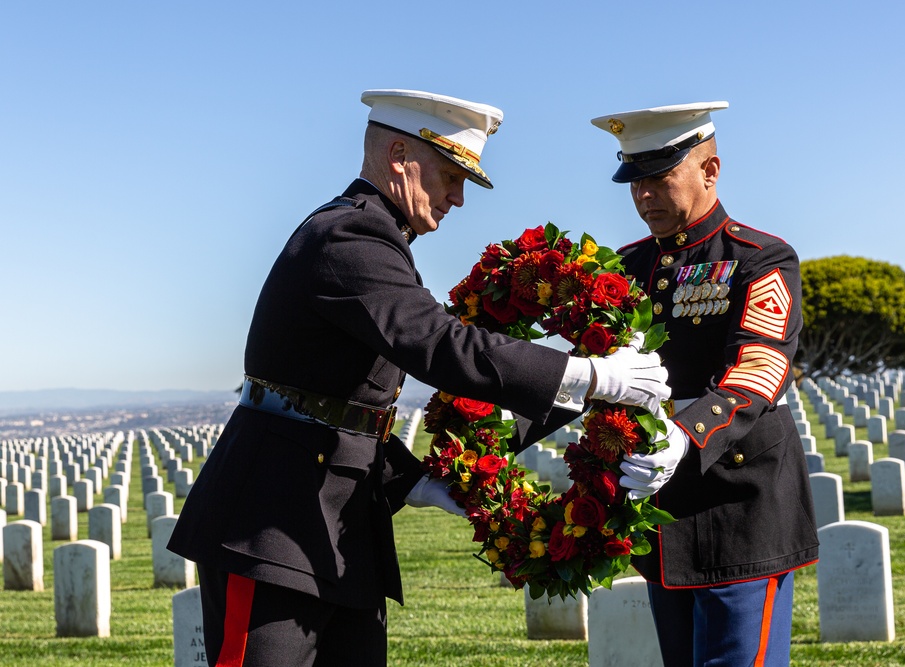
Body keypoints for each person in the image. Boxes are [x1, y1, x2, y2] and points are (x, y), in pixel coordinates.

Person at [168, 89, 672, 667]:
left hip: (338, 532)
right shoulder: (348, 237)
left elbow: (340, 406)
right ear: (401, 155)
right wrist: (591, 376)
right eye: (451, 176)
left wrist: (411, 481)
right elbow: (438, 345)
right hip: (270, 526)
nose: (458, 198)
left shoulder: (382, 242)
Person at [592, 102, 820, 666]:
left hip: (739, 503)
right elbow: (593, 371)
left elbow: (760, 366)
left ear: (709, 171)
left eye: (659, 178)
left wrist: (684, 435)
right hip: (665, 510)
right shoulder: (627, 267)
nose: (644, 196)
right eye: (634, 181)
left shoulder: (759, 257)